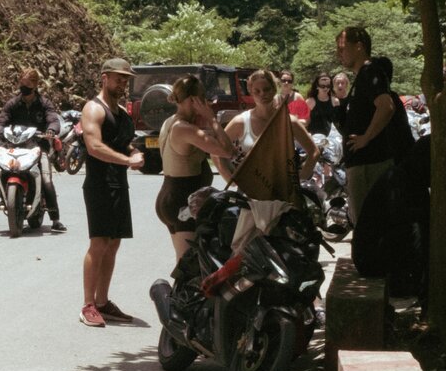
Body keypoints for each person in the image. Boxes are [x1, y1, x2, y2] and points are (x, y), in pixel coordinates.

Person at [78, 57, 145, 327]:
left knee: (113, 243)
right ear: (104, 77)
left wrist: (134, 151)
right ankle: (88, 305)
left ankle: (103, 302)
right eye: (118, 78)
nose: (122, 83)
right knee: (99, 243)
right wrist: (128, 160)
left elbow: (122, 142)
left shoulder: (121, 112)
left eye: (126, 79)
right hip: (99, 184)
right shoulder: (94, 109)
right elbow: (94, 146)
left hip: (118, 183)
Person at [224, 69, 320, 249]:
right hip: (253, 197)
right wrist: (230, 177)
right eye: (257, 91)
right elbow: (218, 151)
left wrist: (300, 179)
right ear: (251, 92)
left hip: (285, 197)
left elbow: (313, 151)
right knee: (246, 252)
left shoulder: (289, 121)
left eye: (267, 89)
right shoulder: (240, 122)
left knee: (287, 249)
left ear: (274, 89)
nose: (263, 95)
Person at [156, 74, 235, 262]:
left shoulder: (171, 122)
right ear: (194, 100)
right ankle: (177, 292)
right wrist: (212, 118)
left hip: (171, 195)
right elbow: (227, 151)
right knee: (189, 265)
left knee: (185, 261)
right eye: (203, 99)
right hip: (183, 199)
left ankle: (179, 292)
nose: (206, 103)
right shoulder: (184, 129)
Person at [337, 26, 411, 226]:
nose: (339, 54)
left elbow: (386, 107)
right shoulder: (363, 76)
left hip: (369, 164)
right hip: (362, 164)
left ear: (359, 47)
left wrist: (365, 138)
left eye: (342, 48)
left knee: (368, 225)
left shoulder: (370, 72)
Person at [1, 69, 65, 231]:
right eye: (22, 84)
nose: (24, 88)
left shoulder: (44, 104)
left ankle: (55, 219)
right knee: (2, 170)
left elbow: (53, 119)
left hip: (38, 148)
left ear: (36, 85)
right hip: (15, 147)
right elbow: (2, 119)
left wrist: (51, 130)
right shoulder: (13, 104)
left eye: (28, 85)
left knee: (46, 180)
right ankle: (5, 199)